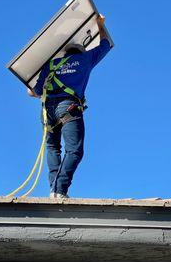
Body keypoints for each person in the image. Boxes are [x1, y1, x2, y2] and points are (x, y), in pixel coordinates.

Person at [28, 14, 111, 198]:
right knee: (74, 150)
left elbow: (36, 92)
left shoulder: (51, 64)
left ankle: (54, 190)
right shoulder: (85, 59)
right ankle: (60, 189)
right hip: (68, 107)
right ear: (81, 51)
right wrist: (99, 24)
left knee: (53, 148)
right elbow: (105, 44)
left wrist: (31, 91)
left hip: (47, 111)